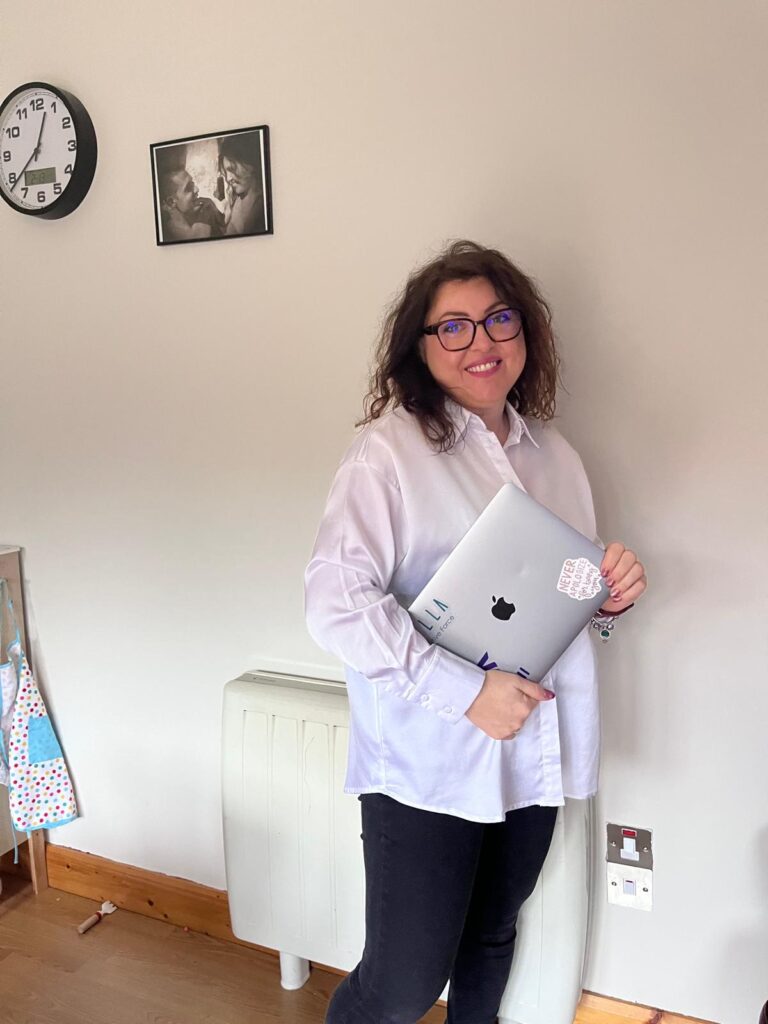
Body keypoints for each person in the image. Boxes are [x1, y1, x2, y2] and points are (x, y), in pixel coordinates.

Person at [304, 240, 647, 1024]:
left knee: (491, 938)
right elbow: (335, 601)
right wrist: (465, 694)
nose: (482, 342)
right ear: (420, 351)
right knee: (403, 984)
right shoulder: (388, 452)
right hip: (432, 762)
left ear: (526, 332)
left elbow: (554, 592)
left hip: (534, 752)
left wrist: (605, 600)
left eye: (498, 319)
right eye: (452, 327)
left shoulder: (557, 458)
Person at [158, 166, 224, 241]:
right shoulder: (171, 233)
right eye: (188, 188)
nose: (196, 189)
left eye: (192, 184)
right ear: (171, 202)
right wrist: (206, 210)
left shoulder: (192, 216)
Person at [218, 133, 266, 236]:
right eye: (225, 173)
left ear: (249, 164)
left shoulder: (263, 203)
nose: (228, 178)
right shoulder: (237, 200)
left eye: (232, 169)